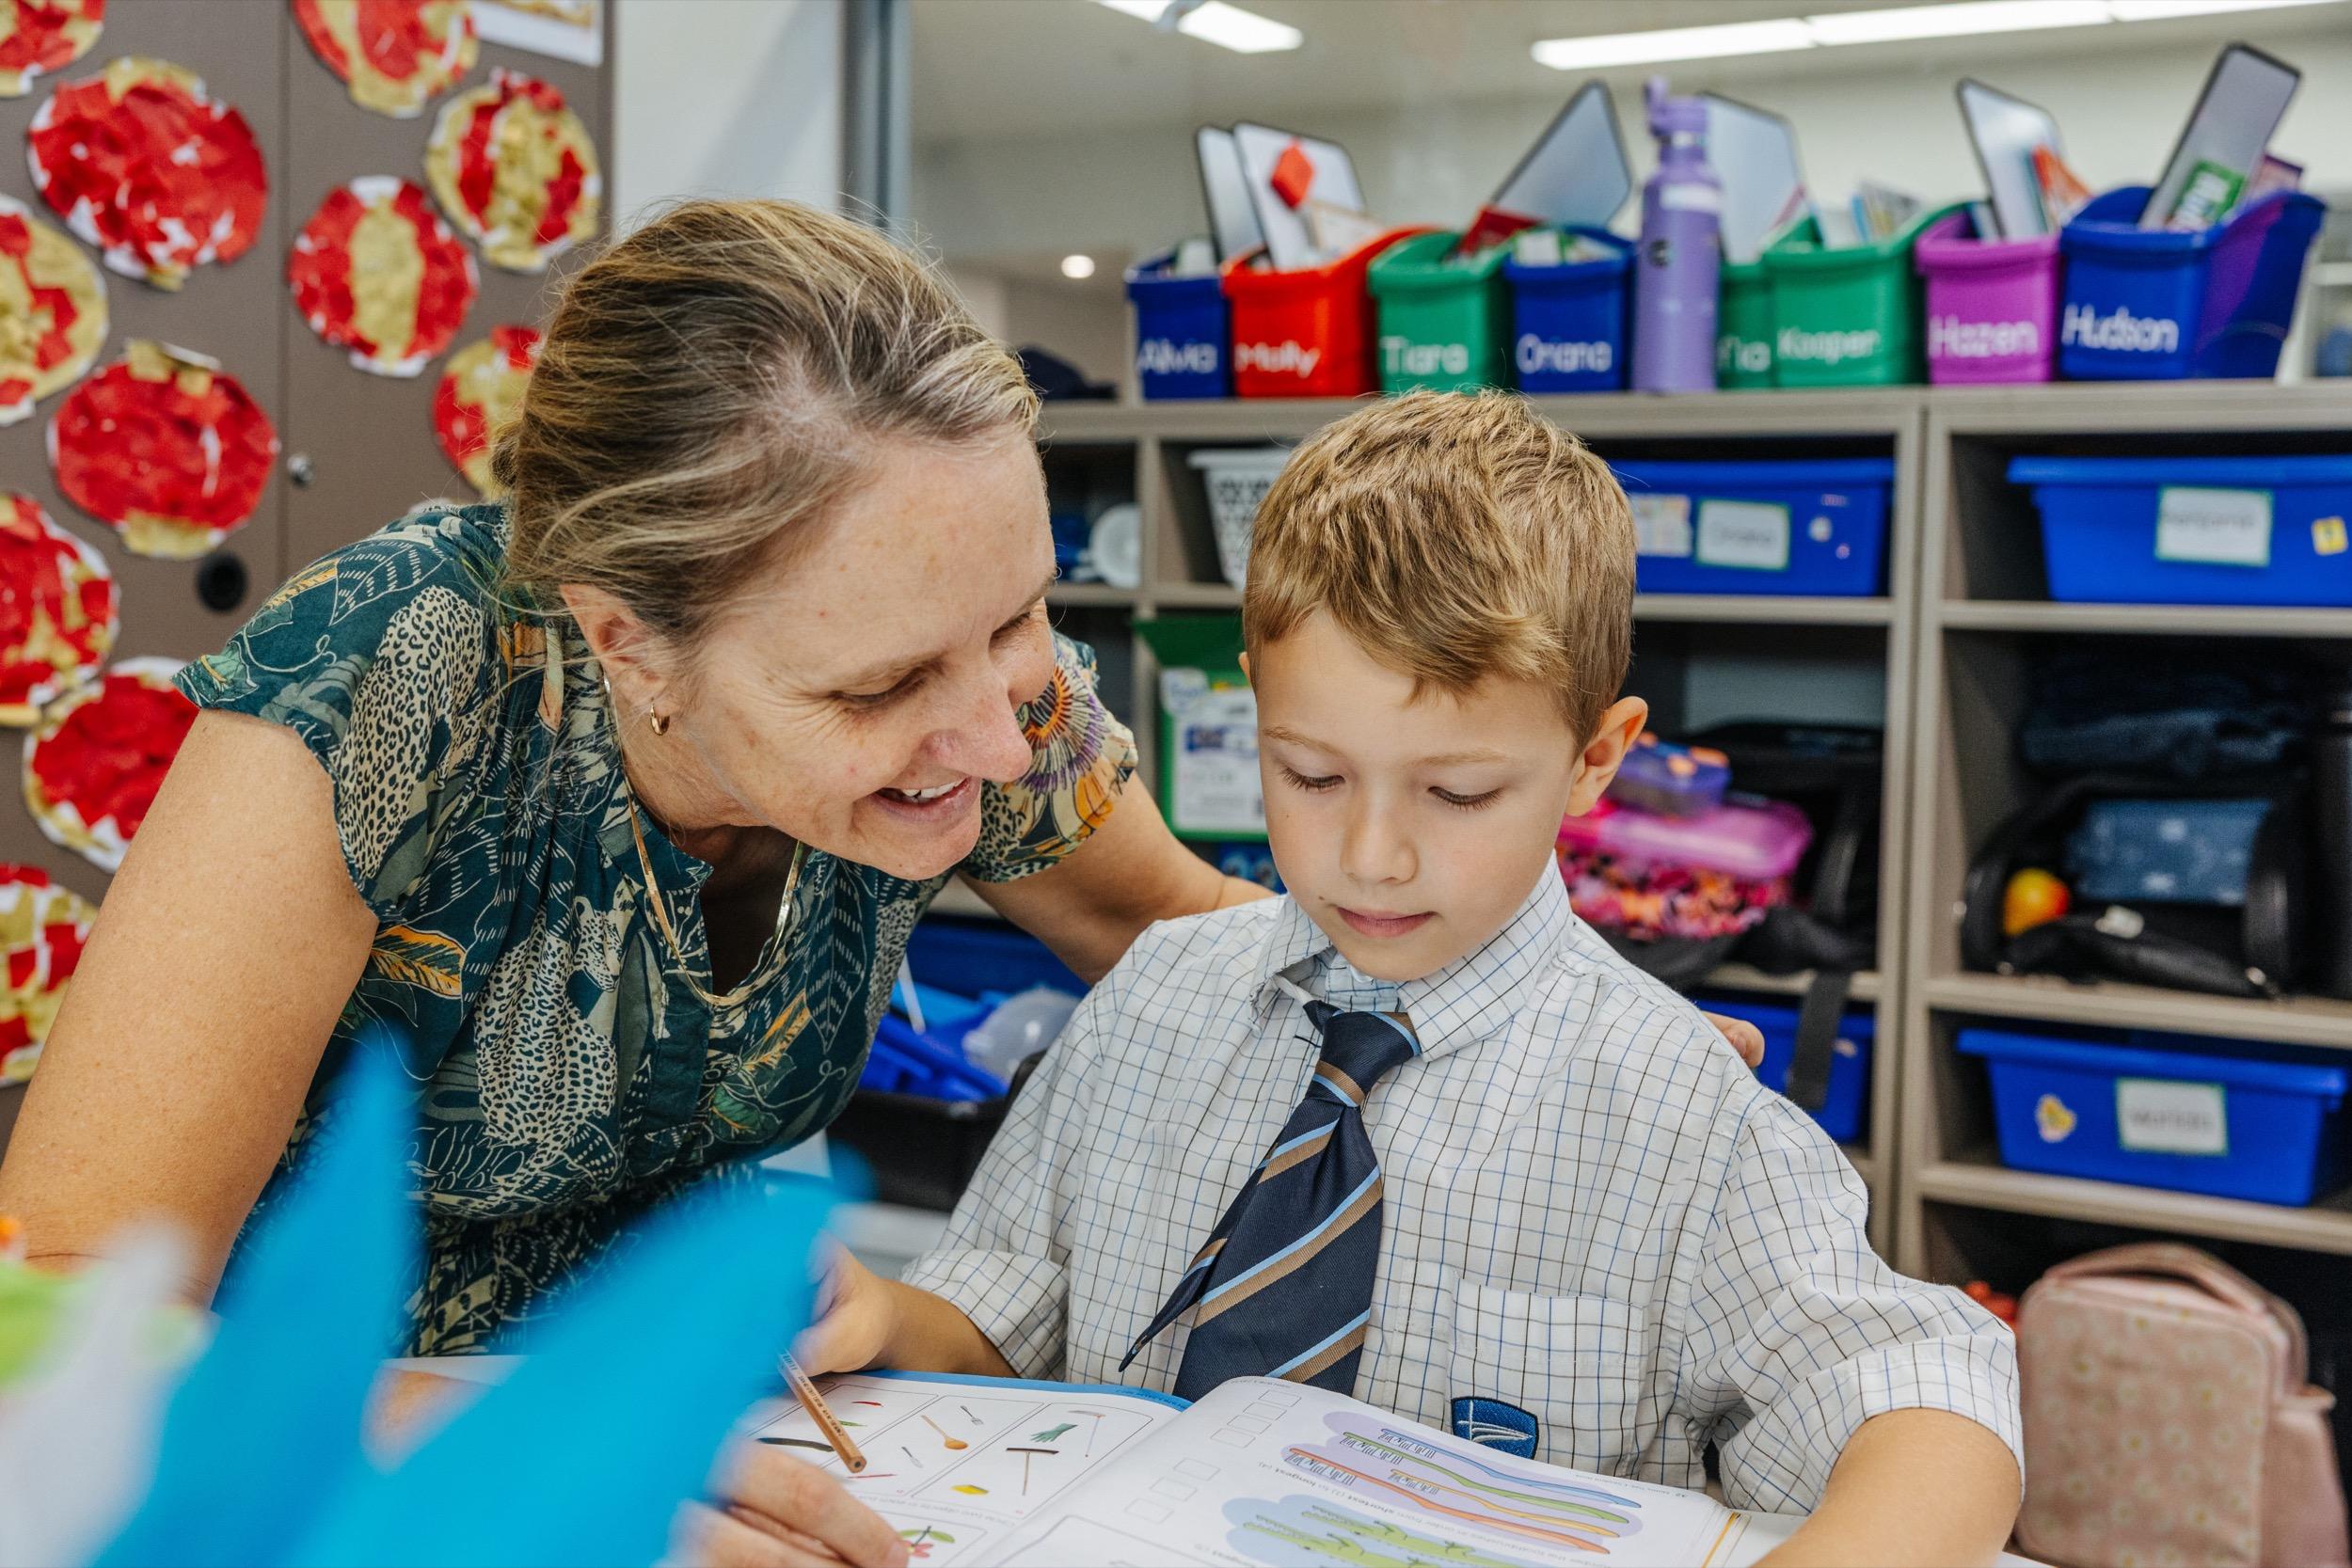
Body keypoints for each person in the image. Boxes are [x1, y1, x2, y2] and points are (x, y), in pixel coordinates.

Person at [801, 392, 2024, 1566]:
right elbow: (996, 1325)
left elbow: (1929, 1407)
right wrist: (874, 1315)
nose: (1371, 856)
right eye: (1312, 775)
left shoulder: (1680, 1110)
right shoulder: (1153, 998)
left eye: (1458, 793)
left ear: (1598, 757)